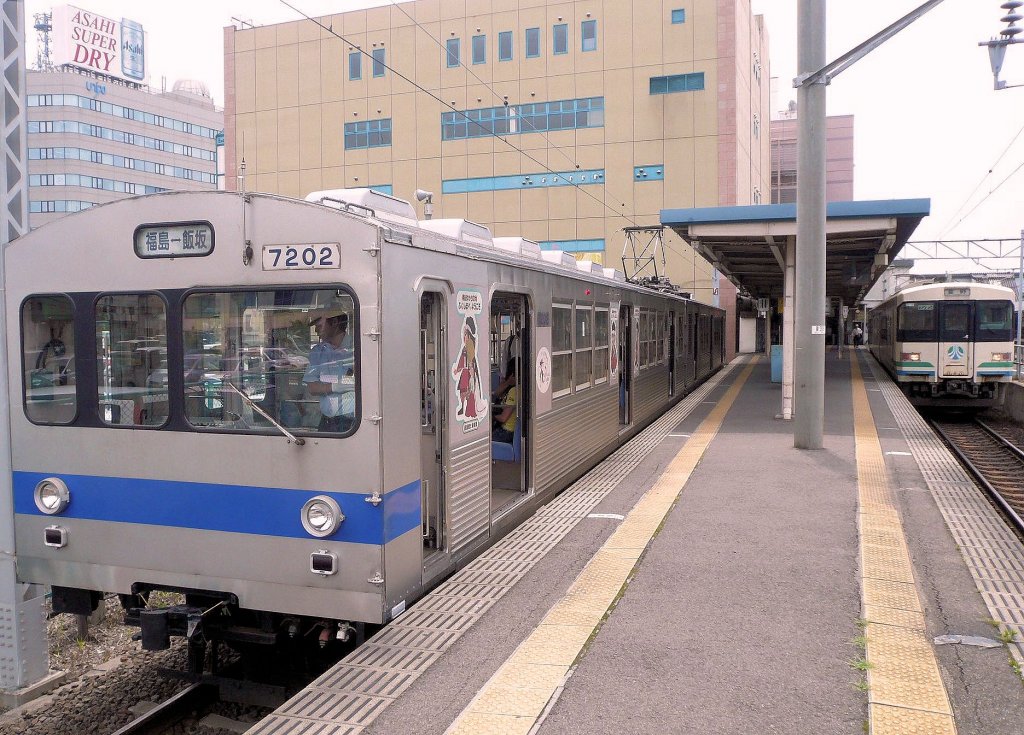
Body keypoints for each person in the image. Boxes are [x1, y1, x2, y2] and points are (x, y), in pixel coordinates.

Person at [303, 308, 355, 432]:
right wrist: (334, 387)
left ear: (335, 322)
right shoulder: (318, 351)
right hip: (327, 421)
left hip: (354, 422)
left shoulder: (357, 346)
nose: (316, 330)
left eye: (319, 325)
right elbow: (312, 388)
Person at [492, 373, 517, 443]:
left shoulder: (514, 391)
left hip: (507, 431)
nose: (502, 379)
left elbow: (503, 418)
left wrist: (492, 417)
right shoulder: (510, 389)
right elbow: (497, 393)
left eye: (503, 377)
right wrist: (507, 383)